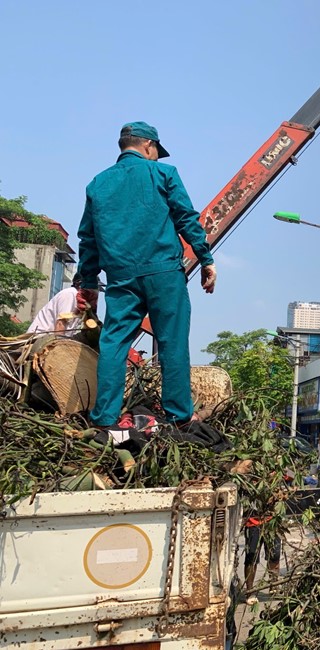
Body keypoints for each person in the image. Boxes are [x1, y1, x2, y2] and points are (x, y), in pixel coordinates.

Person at [77, 121, 216, 428]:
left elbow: (88, 238)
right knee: (172, 342)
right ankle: (180, 416)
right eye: (156, 152)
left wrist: (87, 282)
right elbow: (186, 217)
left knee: (114, 343)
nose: (156, 157)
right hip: (164, 273)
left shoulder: (98, 184)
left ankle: (104, 418)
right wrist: (206, 258)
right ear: (148, 146)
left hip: (121, 277)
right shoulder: (164, 174)